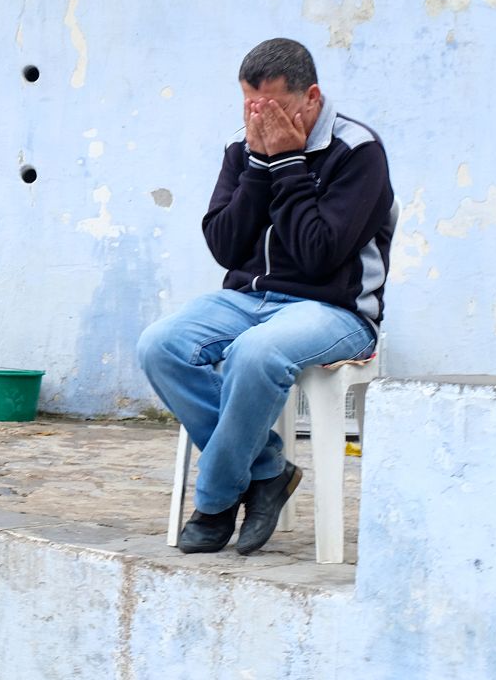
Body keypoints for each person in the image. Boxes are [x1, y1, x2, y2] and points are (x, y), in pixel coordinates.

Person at [137, 38, 396, 556]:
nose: (259, 115)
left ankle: (213, 502)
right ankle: (266, 469)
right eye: (249, 103)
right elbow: (225, 245)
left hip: (335, 310)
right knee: (159, 345)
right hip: (248, 299)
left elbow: (320, 254)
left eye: (272, 104)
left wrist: (288, 164)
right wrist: (258, 166)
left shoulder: (357, 151)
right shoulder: (243, 146)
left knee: (255, 353)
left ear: (311, 98)